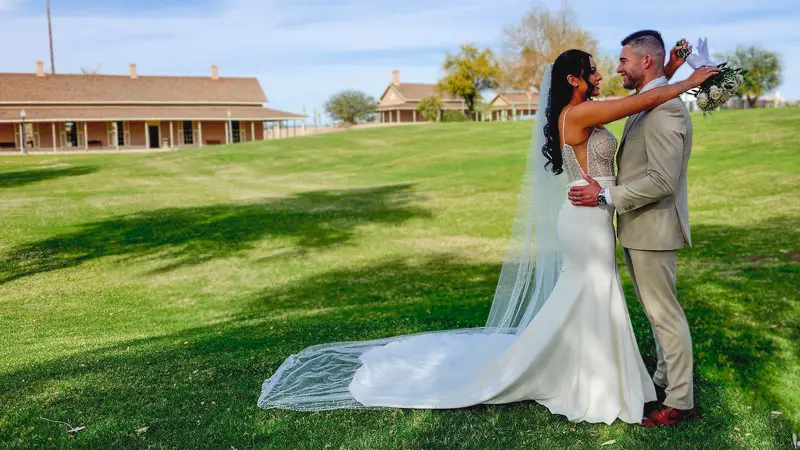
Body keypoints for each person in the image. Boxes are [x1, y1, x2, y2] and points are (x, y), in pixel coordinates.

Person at [257, 40, 717, 425]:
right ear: (574, 79)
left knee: (590, 297)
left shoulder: (584, 111)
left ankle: (598, 374)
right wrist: (688, 81)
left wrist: (671, 71)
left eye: (607, 68)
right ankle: (586, 379)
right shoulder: (579, 115)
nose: (602, 74)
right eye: (593, 71)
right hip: (586, 214)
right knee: (591, 294)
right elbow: (640, 102)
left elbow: (644, 100)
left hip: (593, 213)